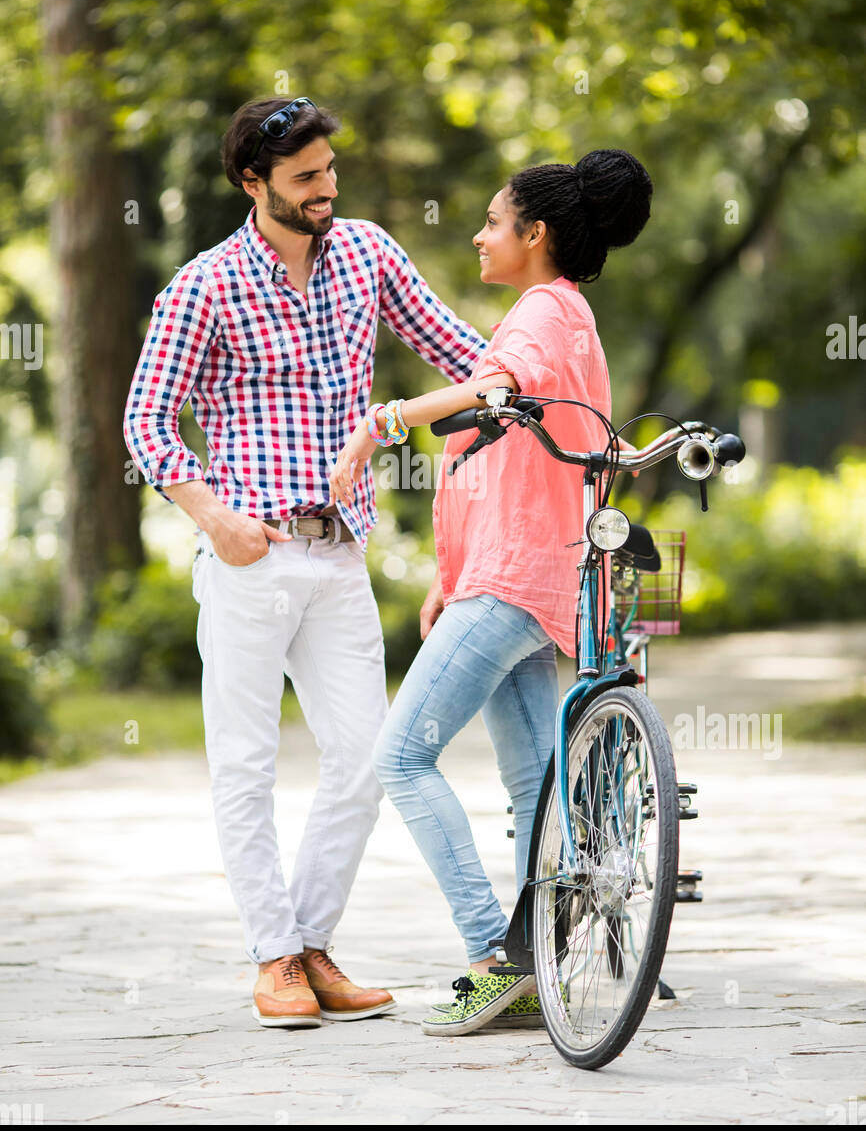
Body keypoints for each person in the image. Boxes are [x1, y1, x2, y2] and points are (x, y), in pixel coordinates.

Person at [123, 96, 488, 1028]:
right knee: (243, 766)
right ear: (254, 184)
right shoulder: (203, 286)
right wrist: (213, 516)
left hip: (340, 556)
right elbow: (146, 419)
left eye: (329, 171)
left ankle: (311, 946)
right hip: (250, 559)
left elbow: (465, 355)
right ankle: (272, 958)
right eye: (304, 179)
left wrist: (530, 368)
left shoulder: (367, 252)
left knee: (369, 758)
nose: (326, 189)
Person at [329, 149, 653, 1035]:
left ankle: (493, 953)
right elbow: (515, 456)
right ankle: (540, 961)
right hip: (533, 580)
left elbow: (493, 391)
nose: (479, 235)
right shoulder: (574, 314)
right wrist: (450, 579)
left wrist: (382, 423)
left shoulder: (537, 313)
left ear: (535, 235)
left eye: (493, 220)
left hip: (513, 581)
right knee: (531, 782)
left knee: (399, 757)